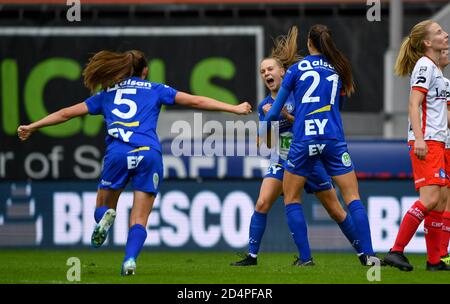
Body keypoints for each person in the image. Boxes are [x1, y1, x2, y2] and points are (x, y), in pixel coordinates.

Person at [17, 50, 252, 276]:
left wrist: (33, 125)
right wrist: (233, 108)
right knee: (139, 219)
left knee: (103, 205)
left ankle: (106, 215)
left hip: (118, 153)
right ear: (145, 71)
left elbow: (66, 113)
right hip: (149, 153)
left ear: (122, 70)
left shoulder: (107, 94)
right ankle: (130, 260)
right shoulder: (156, 89)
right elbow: (197, 101)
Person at [251, 25, 380, 267]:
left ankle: (305, 259)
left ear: (309, 43)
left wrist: (266, 120)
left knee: (291, 199)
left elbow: (275, 112)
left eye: (270, 69)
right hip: (332, 140)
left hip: (303, 143)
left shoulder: (296, 70)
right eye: (263, 71)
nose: (266, 73)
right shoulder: (339, 68)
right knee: (352, 198)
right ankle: (370, 256)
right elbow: (337, 108)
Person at [383, 20, 450, 271]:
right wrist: (420, 138)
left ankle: (434, 261)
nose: (445, 35)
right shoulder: (424, 65)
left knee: (440, 202)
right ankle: (396, 250)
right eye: (439, 32)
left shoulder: (435, 70)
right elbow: (413, 103)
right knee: (431, 198)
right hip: (427, 141)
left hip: (437, 141)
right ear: (427, 42)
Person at [440, 48, 450, 266]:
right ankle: (441, 254)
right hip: (443, 146)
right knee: (440, 202)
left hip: (442, 144)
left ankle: (440, 254)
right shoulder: (442, 82)